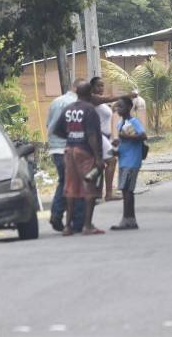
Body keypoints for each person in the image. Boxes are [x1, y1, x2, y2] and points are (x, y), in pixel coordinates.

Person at [52, 81, 106, 235]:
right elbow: (92, 135)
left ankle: (67, 226)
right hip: (85, 153)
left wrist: (71, 137)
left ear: (77, 93)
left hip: (69, 151)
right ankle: (87, 226)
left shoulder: (68, 109)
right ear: (90, 94)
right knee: (90, 188)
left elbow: (57, 130)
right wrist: (98, 158)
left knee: (71, 188)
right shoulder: (89, 110)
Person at [46, 80, 86, 232]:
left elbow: (49, 125)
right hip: (72, 148)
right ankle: (76, 220)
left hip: (56, 149)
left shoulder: (56, 102)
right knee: (77, 184)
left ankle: (57, 213)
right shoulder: (78, 104)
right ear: (77, 88)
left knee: (64, 181)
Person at [112, 97, 147, 231]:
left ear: (128, 108)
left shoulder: (134, 121)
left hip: (132, 161)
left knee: (128, 191)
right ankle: (129, 220)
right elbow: (123, 141)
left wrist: (128, 138)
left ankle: (127, 220)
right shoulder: (120, 123)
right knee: (125, 190)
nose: (118, 109)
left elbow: (143, 136)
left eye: (120, 107)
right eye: (117, 107)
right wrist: (117, 145)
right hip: (123, 159)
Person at [90, 77, 118, 202]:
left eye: (102, 86)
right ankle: (108, 193)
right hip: (99, 136)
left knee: (100, 164)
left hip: (105, 137)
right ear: (92, 87)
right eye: (98, 86)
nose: (101, 88)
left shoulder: (100, 103)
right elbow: (108, 98)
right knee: (112, 160)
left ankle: (97, 193)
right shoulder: (92, 98)